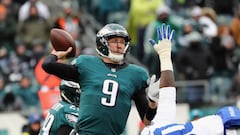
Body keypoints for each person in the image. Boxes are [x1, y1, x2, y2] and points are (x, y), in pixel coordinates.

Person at [42, 23, 157, 134]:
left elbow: (147, 121)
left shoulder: (136, 74)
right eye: (115, 41)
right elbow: (47, 65)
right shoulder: (86, 64)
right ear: (103, 43)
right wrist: (57, 55)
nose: (119, 45)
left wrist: (152, 103)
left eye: (122, 42)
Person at [140, 23, 240, 135]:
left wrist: (165, 57)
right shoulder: (152, 130)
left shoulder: (151, 130)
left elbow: (167, 95)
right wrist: (165, 57)